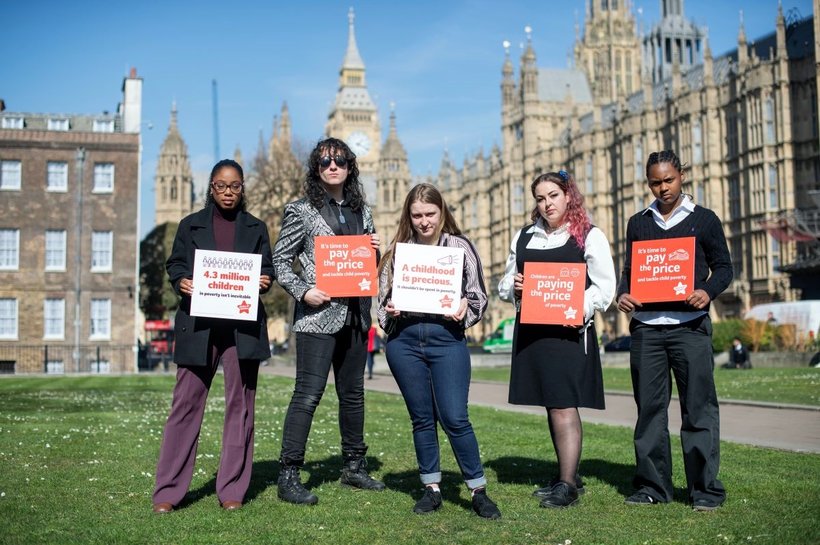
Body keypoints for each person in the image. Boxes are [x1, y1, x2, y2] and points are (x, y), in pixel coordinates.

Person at [152, 159, 274, 513]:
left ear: (242, 188)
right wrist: (181, 281)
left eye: (234, 186)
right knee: (185, 405)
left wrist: (264, 280)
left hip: (242, 330)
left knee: (241, 408)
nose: (228, 192)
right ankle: (168, 492)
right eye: (221, 186)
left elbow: (266, 269)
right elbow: (175, 264)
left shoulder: (256, 227)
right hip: (199, 327)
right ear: (210, 187)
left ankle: (233, 489)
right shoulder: (189, 225)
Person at [616, 150, 733, 512]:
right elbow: (629, 269)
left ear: (682, 175)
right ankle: (653, 486)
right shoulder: (639, 222)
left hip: (689, 328)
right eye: (655, 182)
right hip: (647, 331)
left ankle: (704, 490)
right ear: (647, 182)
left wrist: (707, 291)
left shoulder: (705, 220)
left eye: (668, 179)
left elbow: (724, 268)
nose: (662, 188)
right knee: (649, 411)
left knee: (698, 409)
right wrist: (623, 293)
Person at [377, 183, 501, 519]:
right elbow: (380, 303)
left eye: (430, 213)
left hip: (447, 340)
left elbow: (479, 297)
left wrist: (464, 308)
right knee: (421, 419)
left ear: (441, 212)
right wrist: (389, 309)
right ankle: (431, 489)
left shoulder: (459, 247)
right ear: (409, 216)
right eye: (416, 215)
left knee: (455, 417)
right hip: (404, 342)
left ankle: (477, 490)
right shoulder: (397, 250)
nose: (424, 221)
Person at [273, 137, 384, 505]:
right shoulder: (300, 211)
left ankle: (354, 465)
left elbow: (368, 266)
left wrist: (375, 250)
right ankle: (289, 473)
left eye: (339, 161)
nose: (332, 166)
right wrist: (304, 291)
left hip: (355, 315)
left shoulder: (362, 211)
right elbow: (280, 262)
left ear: (349, 167)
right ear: (316, 169)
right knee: (308, 395)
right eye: (324, 162)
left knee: (352, 395)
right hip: (317, 318)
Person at [498, 170, 616, 509]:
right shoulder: (524, 237)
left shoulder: (589, 236)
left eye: (553, 195)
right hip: (535, 332)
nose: (547, 203)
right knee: (552, 402)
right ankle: (567, 473)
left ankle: (567, 485)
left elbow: (604, 289)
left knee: (564, 403)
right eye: (540, 198)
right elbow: (506, 284)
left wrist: (574, 306)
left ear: (568, 196)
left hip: (568, 333)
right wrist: (515, 286)